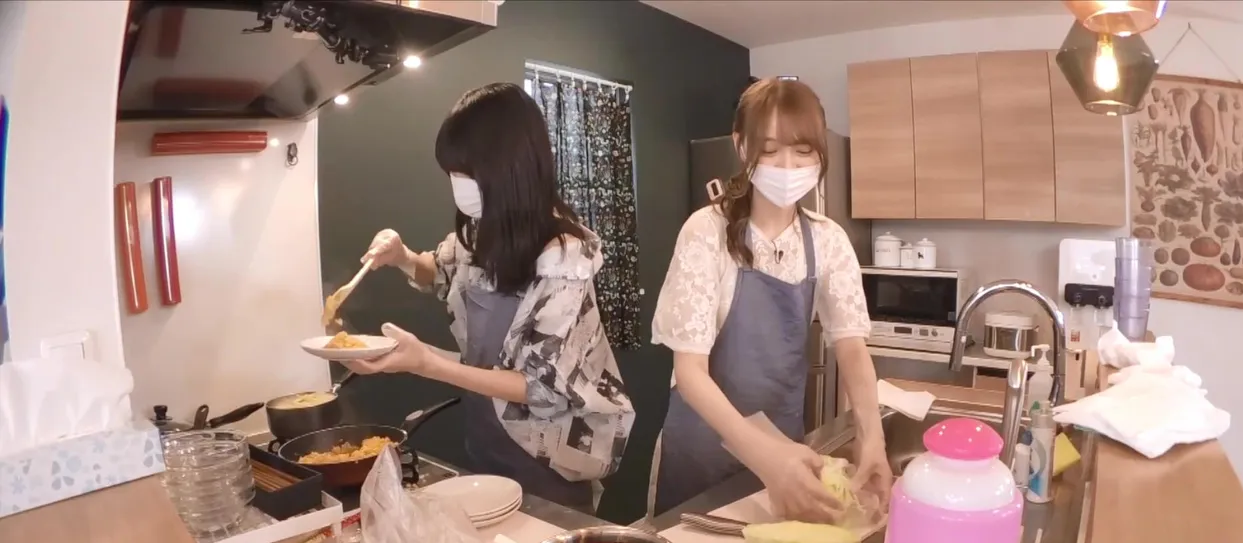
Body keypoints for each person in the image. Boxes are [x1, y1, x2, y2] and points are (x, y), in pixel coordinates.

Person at [348, 82, 634, 514]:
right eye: (452, 174)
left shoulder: (564, 258)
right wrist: (402, 256)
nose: (457, 186)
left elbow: (540, 387)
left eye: (465, 174)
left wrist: (427, 363)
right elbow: (442, 272)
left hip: (549, 461)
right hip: (486, 442)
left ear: (509, 169)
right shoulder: (483, 229)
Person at [649, 77, 891, 520]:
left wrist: (871, 436)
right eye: (770, 150)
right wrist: (764, 457)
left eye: (802, 151)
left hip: (787, 458)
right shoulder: (706, 232)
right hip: (700, 460)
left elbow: (852, 348)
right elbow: (689, 372)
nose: (787, 165)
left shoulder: (828, 240)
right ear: (742, 147)